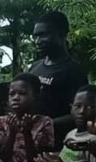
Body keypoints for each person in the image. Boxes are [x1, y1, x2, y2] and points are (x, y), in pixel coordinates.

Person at [29, 11, 88, 148]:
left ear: (61, 34)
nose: (38, 41)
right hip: (30, 143)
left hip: (58, 146)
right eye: (36, 36)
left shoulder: (73, 71)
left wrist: (45, 125)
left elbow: (81, 113)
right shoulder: (35, 67)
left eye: (43, 35)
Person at [0, 73, 54, 162]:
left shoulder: (44, 122)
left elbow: (38, 160)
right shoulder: (1, 123)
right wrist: (12, 133)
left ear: (35, 96)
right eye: (12, 94)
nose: (16, 98)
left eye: (22, 93)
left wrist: (27, 133)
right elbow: (2, 158)